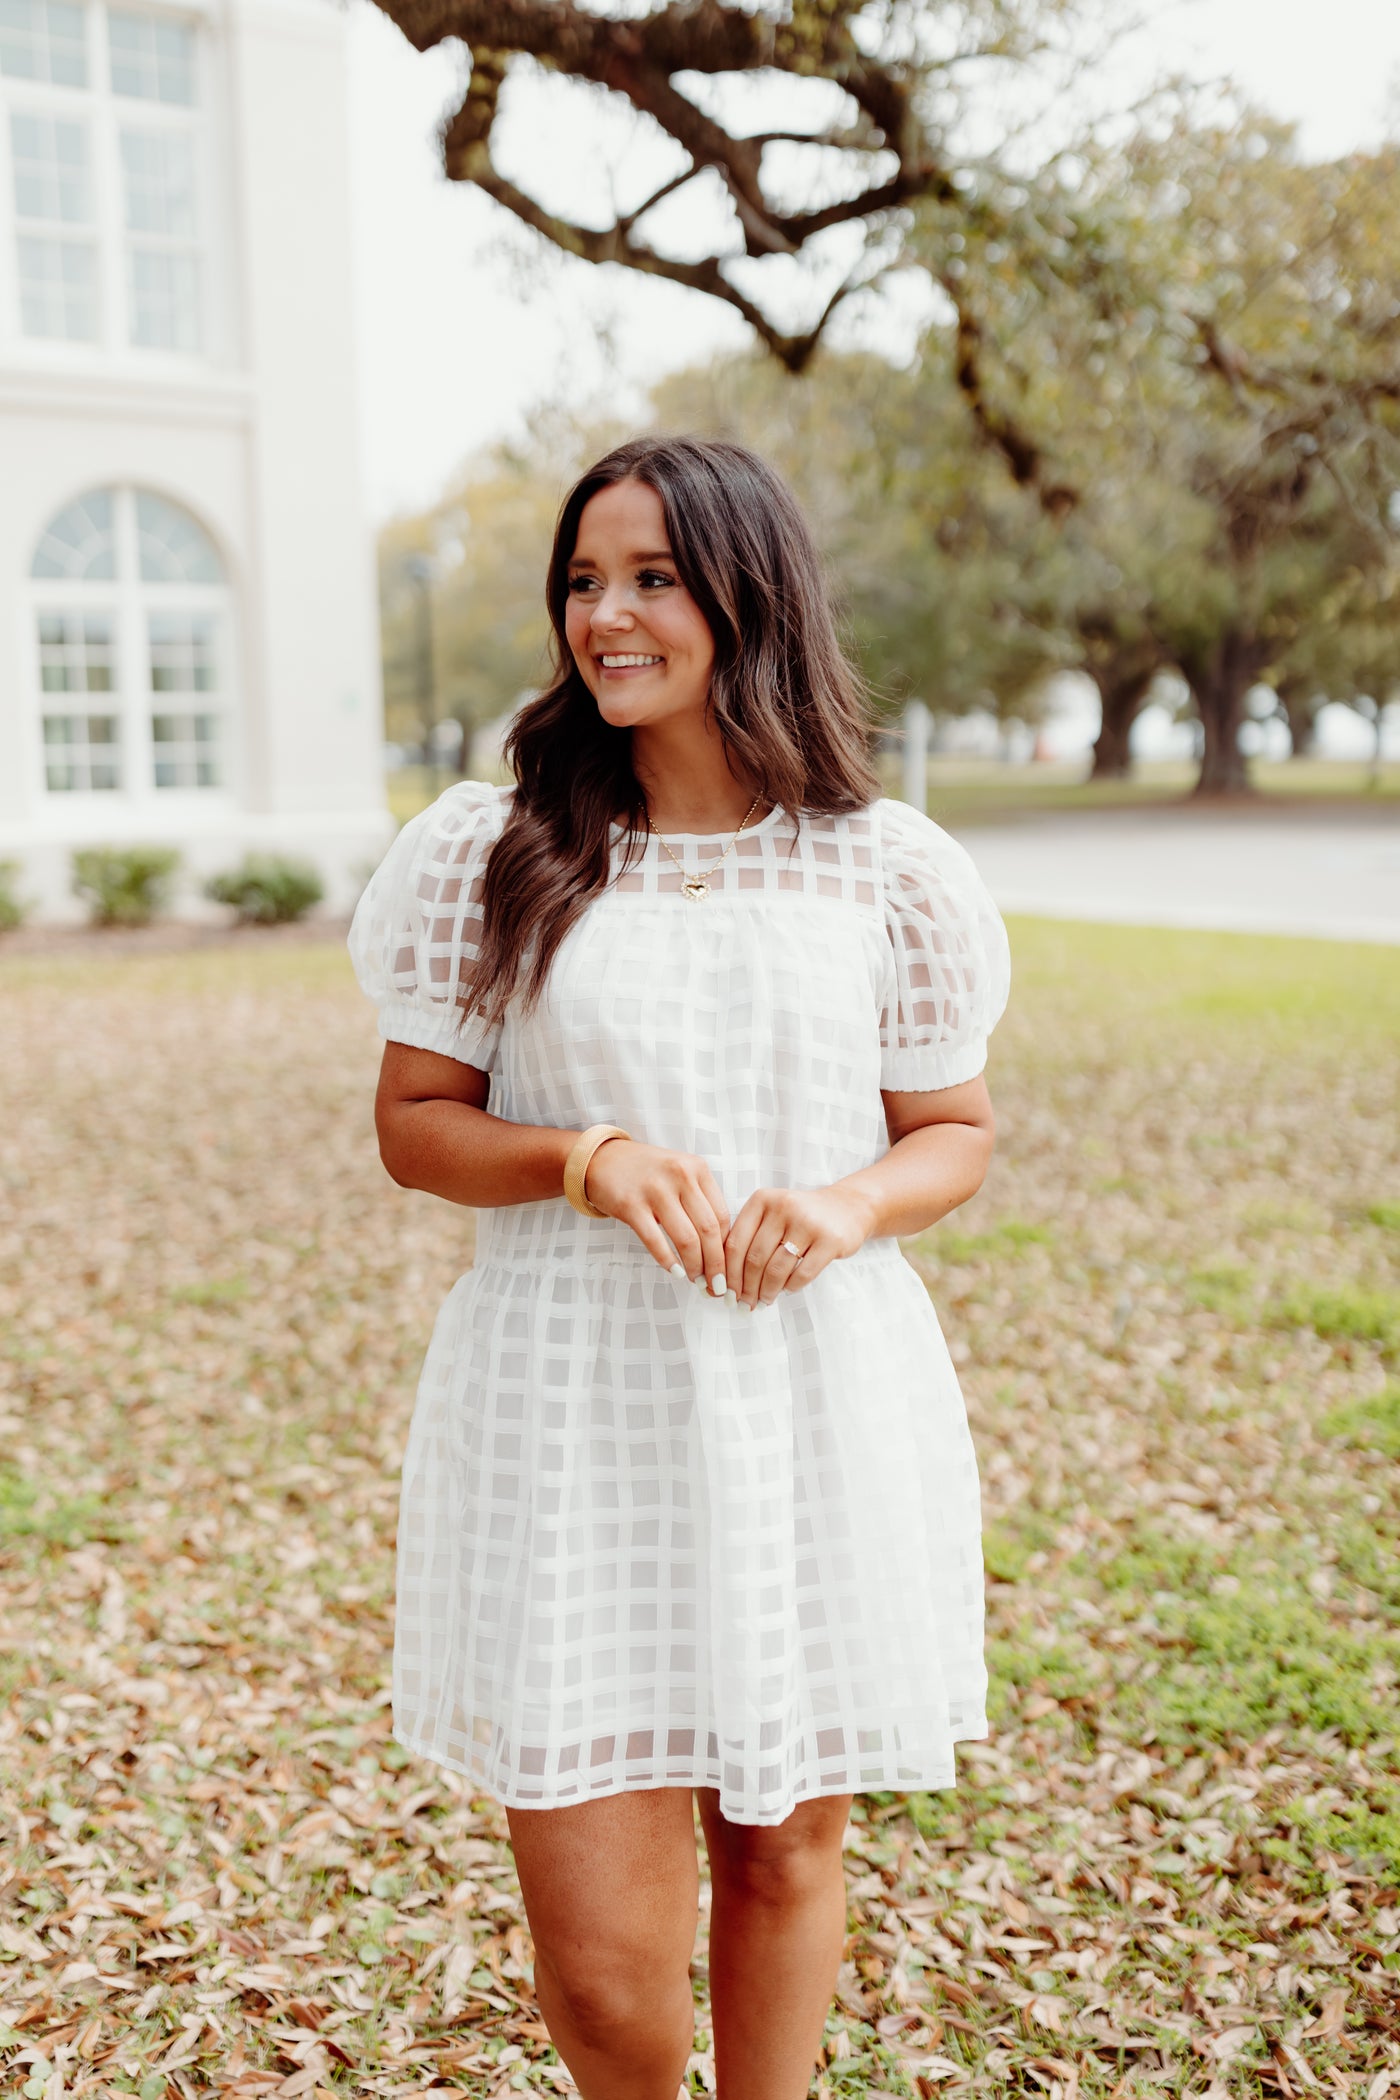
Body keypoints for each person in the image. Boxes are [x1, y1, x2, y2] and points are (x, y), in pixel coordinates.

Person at [348, 436, 1010, 2100]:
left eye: (650, 577)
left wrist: (850, 1207)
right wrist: (587, 1158)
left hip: (812, 1392)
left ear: (744, 593)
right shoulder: (494, 850)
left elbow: (956, 1128)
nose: (607, 614)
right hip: (571, 1403)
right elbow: (418, 1125)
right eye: (583, 580)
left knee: (784, 1861)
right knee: (604, 1968)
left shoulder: (883, 862)